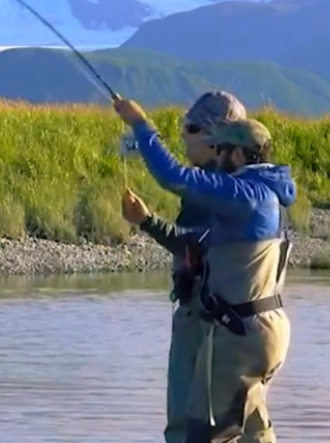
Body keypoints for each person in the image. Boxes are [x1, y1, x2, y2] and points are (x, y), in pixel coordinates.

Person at [114, 98, 296, 443]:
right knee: (251, 430)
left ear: (238, 156)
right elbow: (200, 248)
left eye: (221, 149)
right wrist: (149, 222)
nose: (216, 155)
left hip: (237, 332)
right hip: (262, 329)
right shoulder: (266, 193)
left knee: (204, 431)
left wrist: (140, 122)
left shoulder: (245, 194)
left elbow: (172, 176)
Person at [121, 91, 247, 443]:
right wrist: (146, 220)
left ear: (215, 137)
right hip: (219, 315)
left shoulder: (220, 188)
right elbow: (194, 243)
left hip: (206, 317)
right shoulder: (241, 187)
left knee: (186, 425)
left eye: (190, 127)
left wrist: (140, 124)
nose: (183, 135)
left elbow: (190, 241)